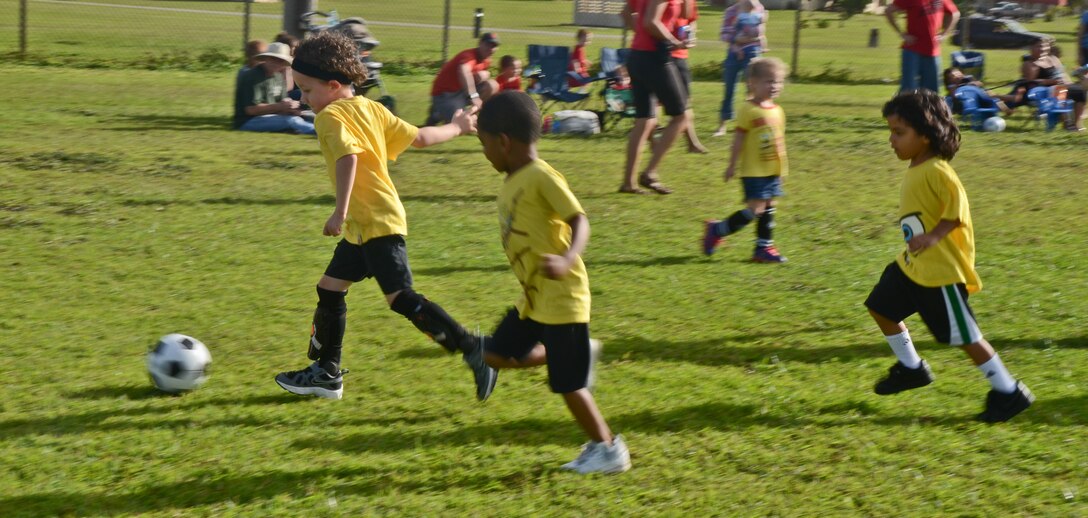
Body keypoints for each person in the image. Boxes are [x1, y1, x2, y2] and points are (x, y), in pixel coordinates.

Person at [273, 31, 497, 401]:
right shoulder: (372, 108)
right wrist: (457, 127)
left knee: (400, 298)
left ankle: (475, 349)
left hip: (373, 221)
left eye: (307, 90)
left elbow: (349, 157)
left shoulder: (329, 117)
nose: (302, 97)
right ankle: (327, 373)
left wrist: (339, 212)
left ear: (332, 86)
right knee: (330, 288)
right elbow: (421, 138)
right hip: (365, 225)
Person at [474, 91, 631, 474]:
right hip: (534, 298)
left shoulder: (541, 176)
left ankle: (608, 449)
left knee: (568, 386)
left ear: (504, 141)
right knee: (491, 353)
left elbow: (580, 220)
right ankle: (578, 352)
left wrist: (567, 257)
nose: (484, 153)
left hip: (562, 296)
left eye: (484, 144)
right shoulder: (514, 179)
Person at [866, 90, 1034, 423]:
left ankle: (1008, 391)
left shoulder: (938, 171)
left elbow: (956, 213)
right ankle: (912, 368)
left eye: (899, 132)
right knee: (881, 308)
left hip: (939, 273)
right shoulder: (918, 166)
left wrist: (932, 236)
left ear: (925, 137)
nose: (891, 140)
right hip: (912, 266)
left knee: (966, 338)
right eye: (891, 131)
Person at [702, 57, 788, 263]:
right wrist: (732, 165)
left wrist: (782, 170)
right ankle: (717, 229)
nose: (774, 86)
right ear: (752, 83)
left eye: (778, 82)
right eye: (769, 81)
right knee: (755, 210)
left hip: (772, 170)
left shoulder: (777, 110)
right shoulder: (748, 110)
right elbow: (738, 139)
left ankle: (763, 248)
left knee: (769, 206)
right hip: (754, 171)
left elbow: (779, 143)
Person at [618, 0, 693, 195]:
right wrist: (675, 42)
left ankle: (629, 183)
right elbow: (651, 22)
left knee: (644, 120)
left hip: (637, 56)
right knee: (681, 116)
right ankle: (650, 173)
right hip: (654, 59)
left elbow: (626, 12)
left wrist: (641, 37)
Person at [233, 42, 315, 135]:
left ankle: (326, 128)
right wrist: (280, 106)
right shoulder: (253, 76)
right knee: (292, 120)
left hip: (272, 116)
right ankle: (317, 132)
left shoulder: (278, 76)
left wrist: (290, 108)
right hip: (248, 121)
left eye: (280, 60)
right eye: (273, 58)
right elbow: (251, 110)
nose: (276, 63)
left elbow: (282, 100)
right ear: (266, 59)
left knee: (307, 116)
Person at [714, 0, 767, 137]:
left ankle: (750, 123)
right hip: (733, 54)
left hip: (752, 53)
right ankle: (722, 126)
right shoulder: (731, 11)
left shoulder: (759, 9)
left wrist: (751, 41)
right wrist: (736, 42)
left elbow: (760, 33)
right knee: (729, 90)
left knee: (752, 90)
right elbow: (724, 34)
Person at [884, 0, 959, 93]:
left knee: (931, 92)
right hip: (912, 50)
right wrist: (902, 34)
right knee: (909, 90)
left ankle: (927, 108)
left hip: (933, 51)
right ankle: (904, 107)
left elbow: (955, 14)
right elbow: (888, 11)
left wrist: (944, 34)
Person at [426, 33, 501, 126]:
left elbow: (473, 78)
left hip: (461, 92)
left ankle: (473, 115)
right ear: (480, 43)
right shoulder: (469, 55)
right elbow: (463, 71)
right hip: (445, 94)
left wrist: (482, 75)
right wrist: (473, 96)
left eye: (494, 46)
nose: (490, 49)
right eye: (488, 45)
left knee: (492, 85)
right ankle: (436, 113)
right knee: (458, 125)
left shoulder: (487, 59)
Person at [672, 2, 708, 154]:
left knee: (685, 103)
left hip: (680, 56)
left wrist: (691, 35)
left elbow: (692, 20)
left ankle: (692, 143)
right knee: (659, 105)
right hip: (662, 55)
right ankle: (656, 140)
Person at [943, 67, 1011, 116]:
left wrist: (976, 84)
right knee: (947, 100)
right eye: (953, 76)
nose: (957, 77)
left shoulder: (968, 78)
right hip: (960, 103)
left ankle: (1007, 110)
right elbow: (954, 96)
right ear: (949, 80)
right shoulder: (952, 86)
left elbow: (980, 86)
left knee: (991, 96)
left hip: (977, 98)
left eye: (958, 74)